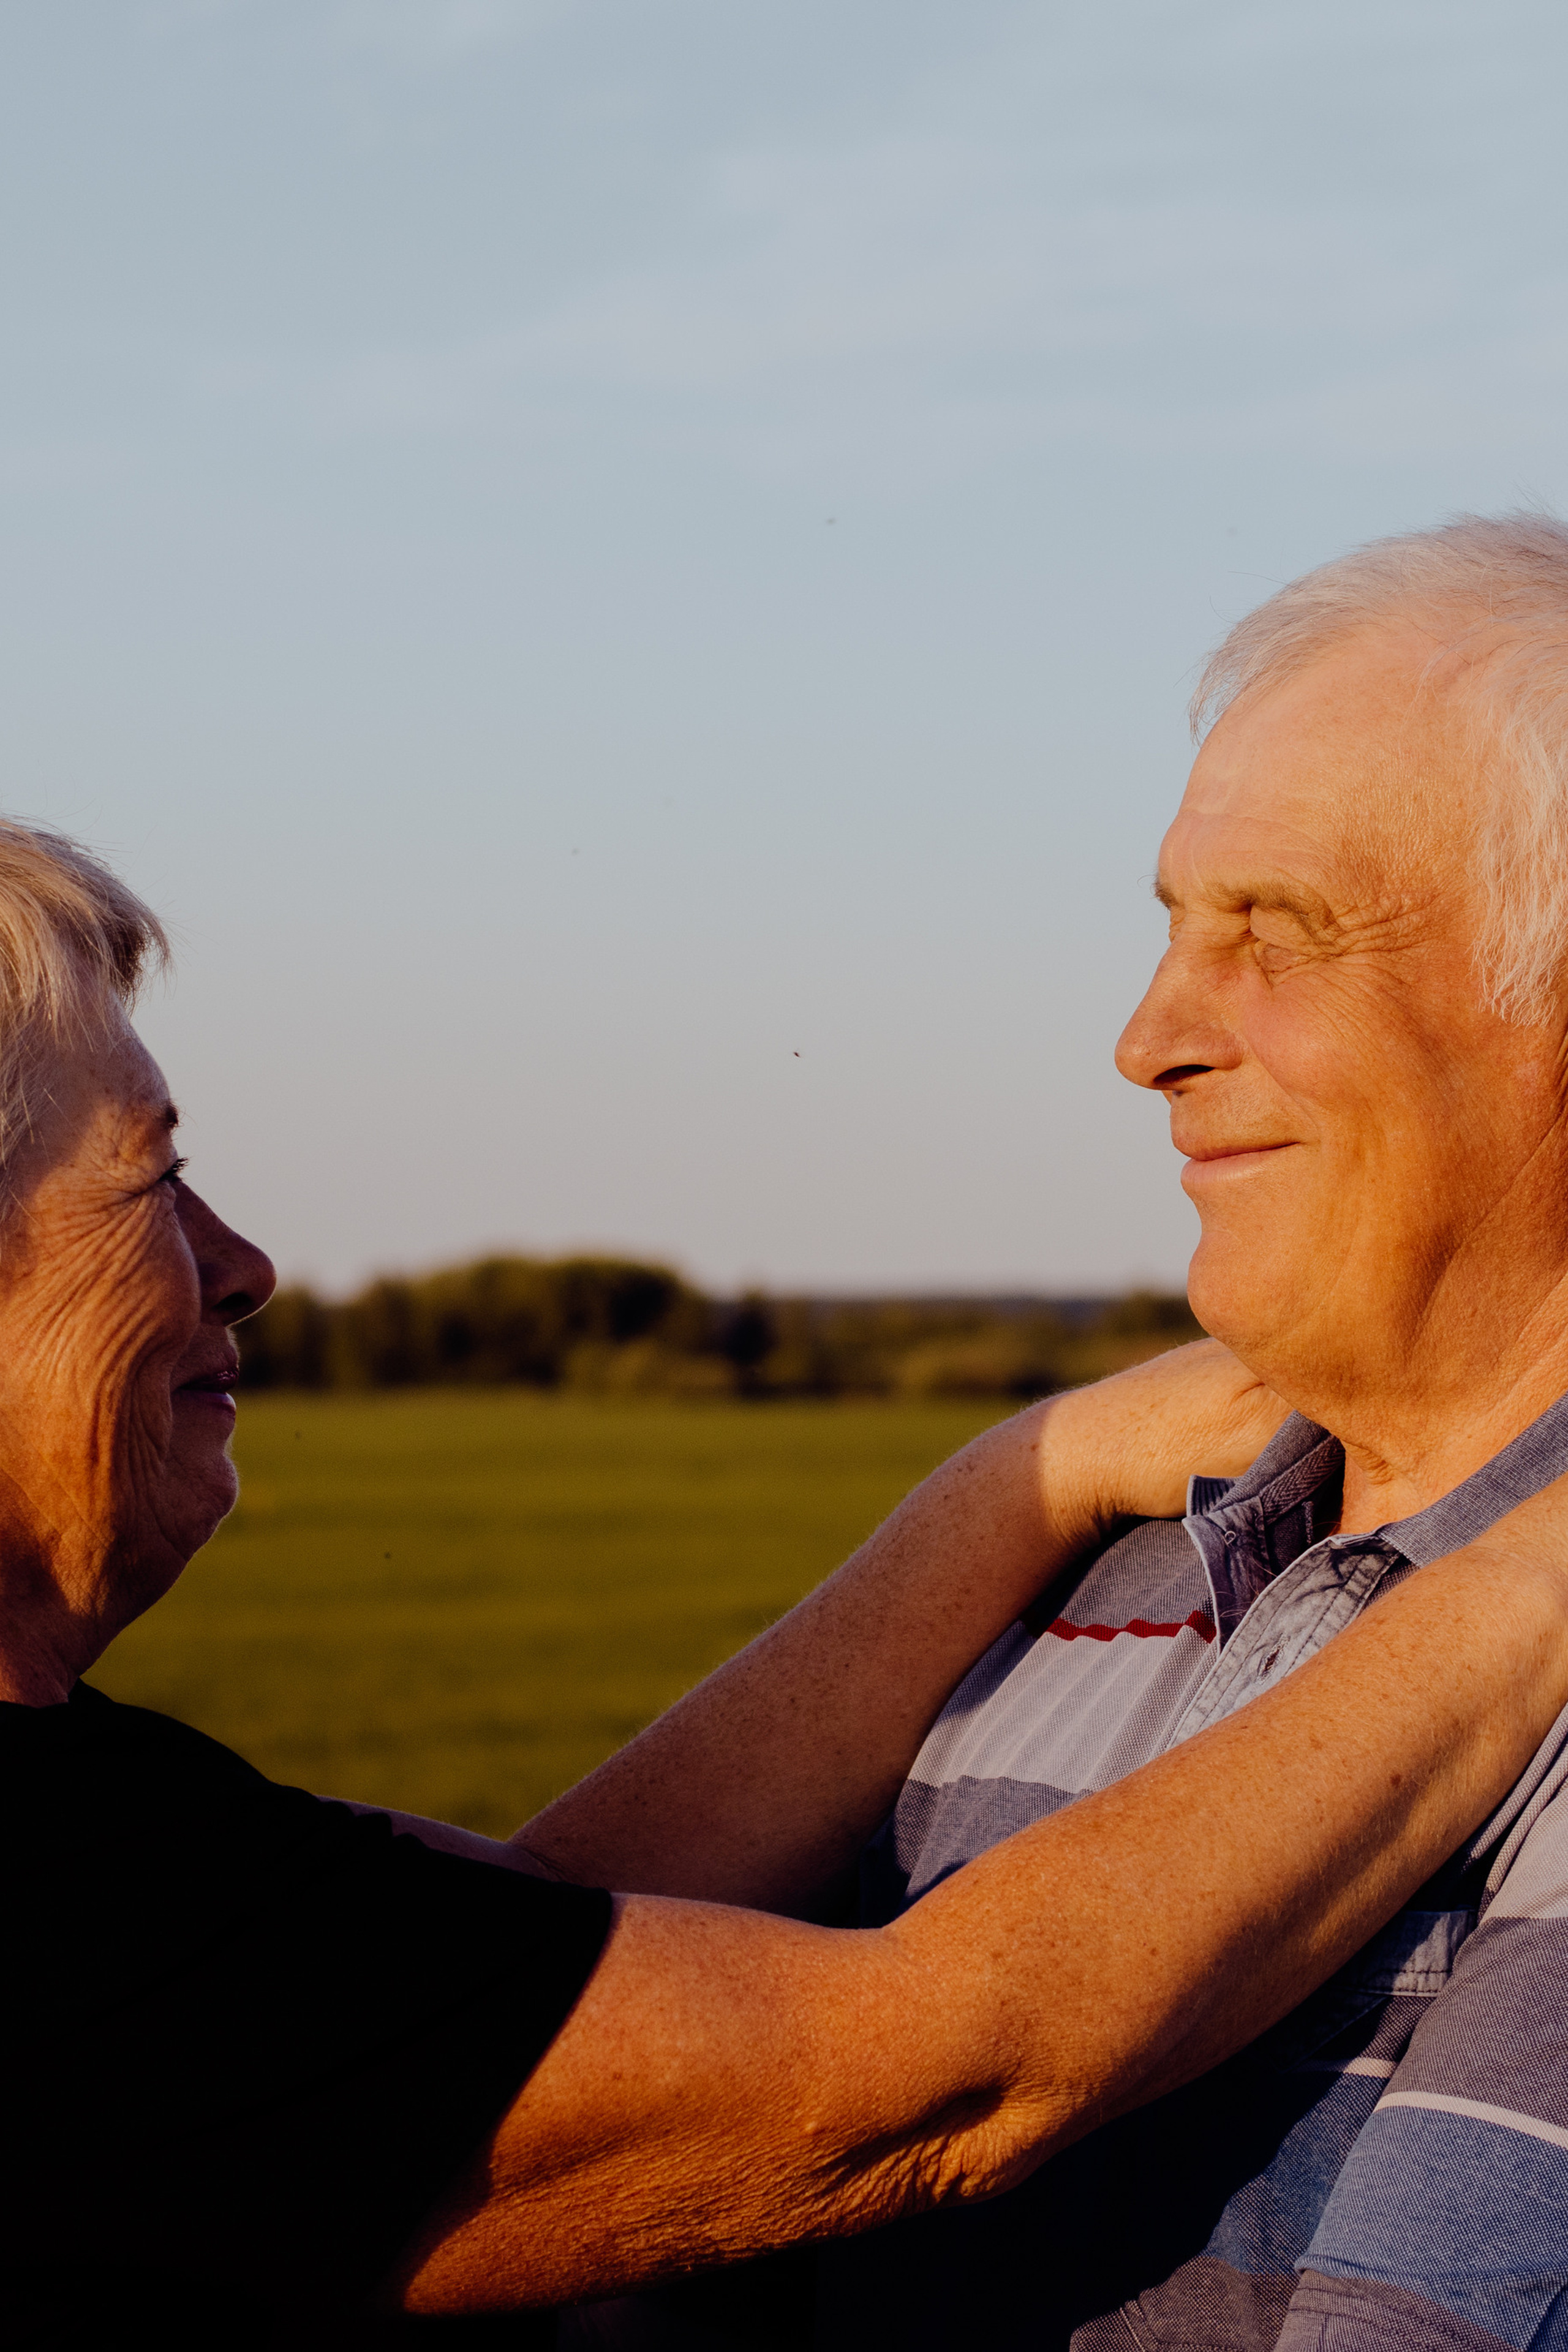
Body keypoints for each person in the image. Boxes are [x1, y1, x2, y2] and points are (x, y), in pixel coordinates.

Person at [1, 739, 1564, 2348]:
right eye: (150, 1183)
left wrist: (1021, 1477)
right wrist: (1531, 1574)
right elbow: (930, 2073)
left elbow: (518, 1967)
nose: (243, 1262)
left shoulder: (117, 1878)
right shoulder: (51, 1899)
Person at [532, 507, 1568, 2351]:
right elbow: (527, 2084)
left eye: (1275, 932)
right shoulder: (1093, 1569)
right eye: (1177, 926)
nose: (1149, 1035)